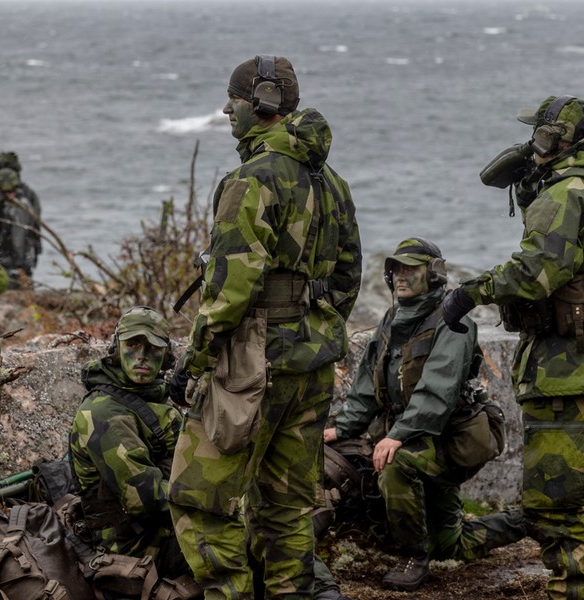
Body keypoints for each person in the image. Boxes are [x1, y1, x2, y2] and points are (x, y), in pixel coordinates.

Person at [166, 54, 361, 599]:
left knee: (198, 498)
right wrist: (314, 328)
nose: (227, 109)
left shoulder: (251, 182)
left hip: (252, 366)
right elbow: (349, 277)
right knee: (287, 507)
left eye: (234, 99)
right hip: (311, 364)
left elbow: (229, 293)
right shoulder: (332, 182)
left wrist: (193, 362)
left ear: (263, 104)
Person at [440, 95, 584, 600]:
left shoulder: (565, 194)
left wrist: (469, 293)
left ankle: (572, 590)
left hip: (567, 362)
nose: (534, 143)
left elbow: (533, 273)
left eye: (542, 136)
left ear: (559, 140)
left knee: (555, 498)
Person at [323, 237, 525, 592]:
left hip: (452, 441)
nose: (401, 277)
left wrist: (398, 434)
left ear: (433, 274)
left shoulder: (452, 321)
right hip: (420, 440)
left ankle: (412, 557)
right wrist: (342, 427)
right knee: (450, 545)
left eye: (411, 269)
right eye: (396, 269)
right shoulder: (392, 319)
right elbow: (368, 385)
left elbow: (438, 390)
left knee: (394, 463)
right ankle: (527, 522)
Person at [69, 307, 199, 598]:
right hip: (137, 545)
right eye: (133, 345)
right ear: (117, 349)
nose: (142, 356)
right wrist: (214, 503)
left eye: (153, 349)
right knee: (243, 539)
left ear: (166, 357)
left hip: (167, 525)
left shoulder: (154, 397)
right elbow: (144, 497)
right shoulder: (104, 412)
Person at [0, 163, 42, 289]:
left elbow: (19, 237)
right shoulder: (0, 201)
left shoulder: (19, 206)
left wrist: (20, 265)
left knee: (19, 291)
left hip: (17, 260)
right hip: (7, 257)